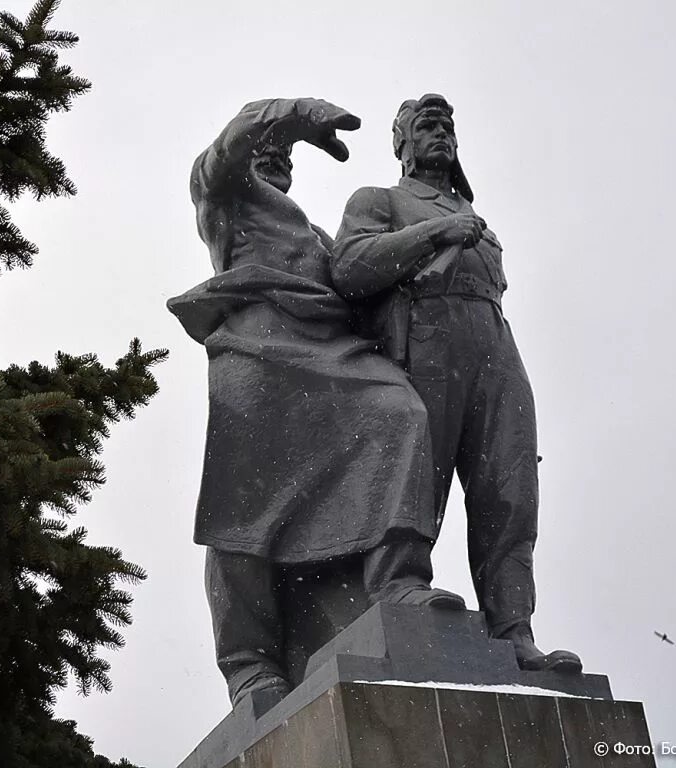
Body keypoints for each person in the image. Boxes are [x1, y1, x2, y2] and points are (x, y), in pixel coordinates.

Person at [168, 98, 463, 712]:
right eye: (264, 149)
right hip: (258, 349)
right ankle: (249, 663)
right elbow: (230, 147)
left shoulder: (314, 233)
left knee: (401, 415)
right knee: (244, 505)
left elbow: (358, 284)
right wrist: (292, 116)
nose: (272, 158)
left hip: (332, 354)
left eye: (281, 152)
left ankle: (397, 583)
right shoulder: (221, 195)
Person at [332, 93, 582, 673]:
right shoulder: (381, 199)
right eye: (426, 124)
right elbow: (350, 266)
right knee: (420, 465)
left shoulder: (479, 219)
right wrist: (441, 231)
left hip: (493, 338)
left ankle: (513, 627)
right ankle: (399, 585)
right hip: (426, 333)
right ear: (401, 143)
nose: (440, 133)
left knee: (510, 487)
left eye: (447, 125)